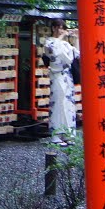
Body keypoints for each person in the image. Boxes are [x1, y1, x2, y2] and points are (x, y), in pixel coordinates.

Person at [43, 18, 78, 146]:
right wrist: (61, 37)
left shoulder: (66, 44)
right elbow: (54, 53)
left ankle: (68, 134)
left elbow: (77, 56)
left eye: (62, 27)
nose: (60, 30)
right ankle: (56, 135)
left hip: (67, 76)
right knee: (58, 103)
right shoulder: (49, 42)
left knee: (68, 104)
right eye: (57, 27)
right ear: (53, 28)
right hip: (56, 74)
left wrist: (77, 38)